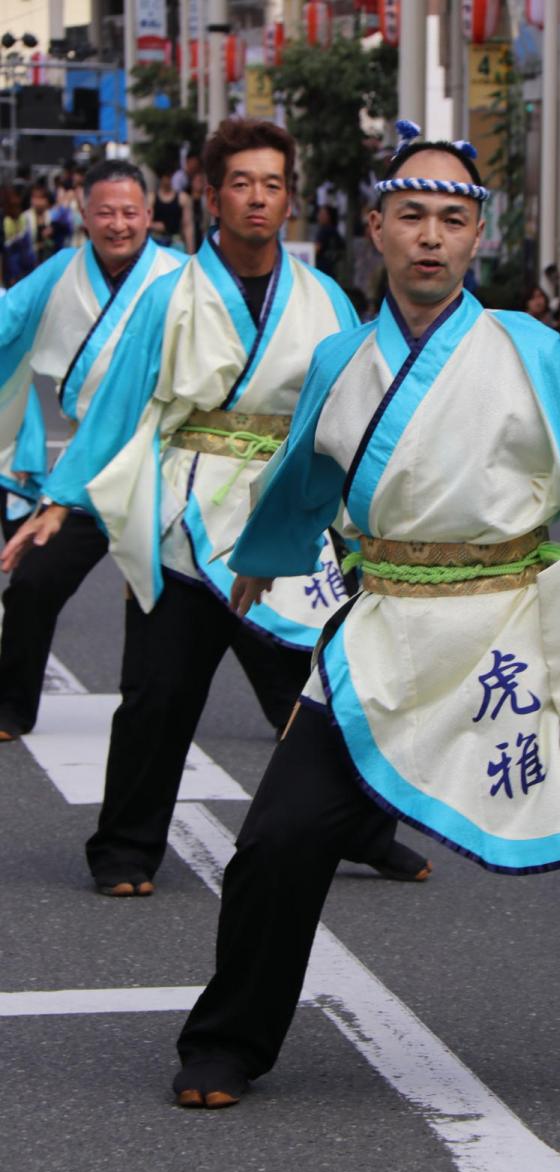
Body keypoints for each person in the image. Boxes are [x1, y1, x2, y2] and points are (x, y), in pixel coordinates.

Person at [170, 126, 560, 1116]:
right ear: (373, 228)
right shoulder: (341, 358)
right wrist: (262, 559)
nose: (430, 238)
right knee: (278, 841)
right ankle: (228, 1041)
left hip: (510, 636)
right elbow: (304, 476)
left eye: (453, 221)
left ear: (478, 239)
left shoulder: (530, 349)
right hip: (380, 638)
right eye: (411, 217)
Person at [4, 119, 429, 896]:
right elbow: (120, 408)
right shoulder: (171, 297)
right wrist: (61, 500)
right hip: (182, 515)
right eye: (241, 183)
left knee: (331, 685)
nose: (258, 198)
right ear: (210, 195)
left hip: (283, 518)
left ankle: (362, 831)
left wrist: (376, 513)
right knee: (157, 694)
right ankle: (125, 851)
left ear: (289, 198)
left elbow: (355, 408)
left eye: (272, 184)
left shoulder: (324, 297)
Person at [0, 160, 185, 742]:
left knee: (216, 597)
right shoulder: (60, 273)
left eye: (130, 212)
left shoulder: (184, 276)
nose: (118, 224)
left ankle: (292, 708)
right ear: (84, 215)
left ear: (150, 215)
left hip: (166, 462)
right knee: (33, 580)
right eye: (105, 212)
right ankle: (10, 707)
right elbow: (6, 323)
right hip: (90, 465)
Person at [150, 166, 193, 251]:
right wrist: (154, 225)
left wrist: (191, 251)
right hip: (157, 243)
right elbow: (144, 223)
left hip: (176, 243)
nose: (167, 180)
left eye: (170, 176)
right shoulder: (151, 198)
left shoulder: (183, 198)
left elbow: (188, 226)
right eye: (165, 177)